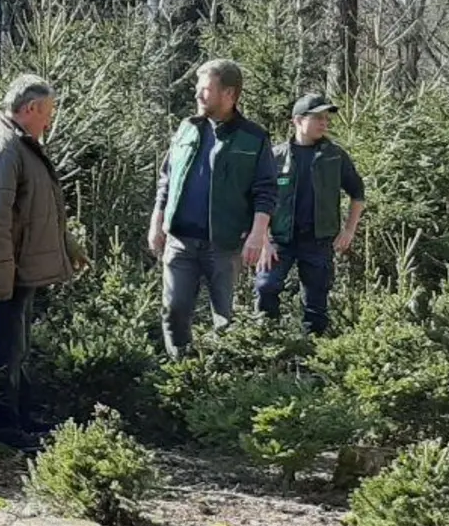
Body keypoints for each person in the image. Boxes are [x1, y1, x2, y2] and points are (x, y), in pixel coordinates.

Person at [0, 74, 87, 452]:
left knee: (19, 346)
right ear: (30, 109)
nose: (49, 120)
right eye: (47, 112)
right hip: (7, 273)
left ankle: (23, 417)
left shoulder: (21, 143)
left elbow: (37, 208)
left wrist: (68, 246)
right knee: (5, 349)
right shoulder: (1, 148)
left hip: (19, 269)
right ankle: (4, 428)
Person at [147, 59, 278, 357]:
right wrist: (157, 220)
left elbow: (266, 190)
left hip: (225, 244)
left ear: (229, 94)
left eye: (205, 89)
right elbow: (166, 178)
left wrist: (258, 234)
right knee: (174, 309)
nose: (197, 95)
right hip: (180, 240)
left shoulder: (253, 138)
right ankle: (181, 369)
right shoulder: (187, 128)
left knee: (225, 317)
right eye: (198, 88)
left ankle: (221, 377)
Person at [253, 93, 367, 334]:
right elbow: (257, 201)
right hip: (279, 240)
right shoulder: (275, 157)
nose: (324, 123)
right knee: (266, 287)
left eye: (326, 118)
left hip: (318, 240)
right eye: (317, 118)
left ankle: (310, 357)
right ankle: (266, 342)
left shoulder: (335, 156)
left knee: (316, 303)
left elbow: (358, 194)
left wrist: (348, 230)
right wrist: (263, 242)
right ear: (297, 120)